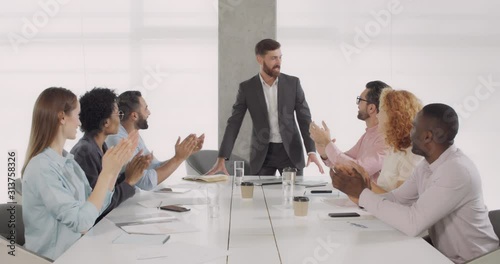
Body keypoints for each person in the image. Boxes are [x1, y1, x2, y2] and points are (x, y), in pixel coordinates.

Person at [331, 103, 499, 263]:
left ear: (427, 136)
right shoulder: (428, 165)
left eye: (414, 127)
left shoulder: (456, 171)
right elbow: (397, 199)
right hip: (444, 256)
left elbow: (413, 223)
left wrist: (362, 194)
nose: (410, 132)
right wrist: (360, 190)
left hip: (478, 261)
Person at [21, 87, 138, 260]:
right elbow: (81, 223)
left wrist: (113, 170)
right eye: (77, 115)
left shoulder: (68, 161)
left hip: (78, 252)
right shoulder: (41, 168)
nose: (79, 122)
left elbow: (93, 208)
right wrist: (106, 173)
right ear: (62, 117)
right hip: (56, 259)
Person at [207, 38, 323, 176]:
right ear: (260, 59)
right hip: (262, 155)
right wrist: (222, 157)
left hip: (290, 153)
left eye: (280, 57)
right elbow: (234, 123)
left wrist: (311, 150)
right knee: (258, 197)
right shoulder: (247, 88)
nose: (279, 62)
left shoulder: (293, 83)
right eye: (273, 58)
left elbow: (305, 119)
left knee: (293, 196)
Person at [71, 88, 152, 222]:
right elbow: (101, 205)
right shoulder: (85, 153)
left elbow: (109, 189)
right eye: (117, 114)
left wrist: (131, 172)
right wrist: (129, 182)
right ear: (106, 122)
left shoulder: (100, 146)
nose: (120, 120)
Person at [106, 91, 204, 189]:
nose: (149, 112)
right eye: (146, 108)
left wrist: (184, 153)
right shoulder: (118, 140)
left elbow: (154, 166)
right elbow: (145, 182)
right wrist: (178, 158)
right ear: (134, 116)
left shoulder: (132, 134)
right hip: (123, 203)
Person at [309, 81, 389, 182]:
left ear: (371, 108)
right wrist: (325, 152)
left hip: (376, 197)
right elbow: (344, 162)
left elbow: (358, 170)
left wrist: (327, 143)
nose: (357, 104)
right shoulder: (368, 135)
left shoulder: (385, 139)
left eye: (360, 100)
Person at [370, 89, 423, 193]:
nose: (377, 115)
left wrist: (365, 184)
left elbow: (400, 202)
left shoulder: (413, 155)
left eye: (381, 111)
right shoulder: (394, 149)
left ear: (394, 117)